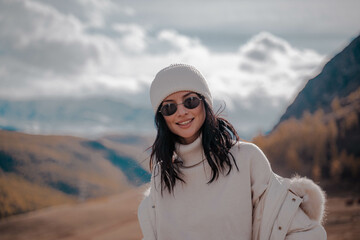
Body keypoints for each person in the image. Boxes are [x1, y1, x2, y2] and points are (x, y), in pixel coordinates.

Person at [138, 63, 327, 240]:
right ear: (162, 118)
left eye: (190, 101)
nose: (181, 112)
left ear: (205, 103)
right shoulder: (161, 176)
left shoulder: (245, 158)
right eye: (169, 107)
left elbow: (305, 231)